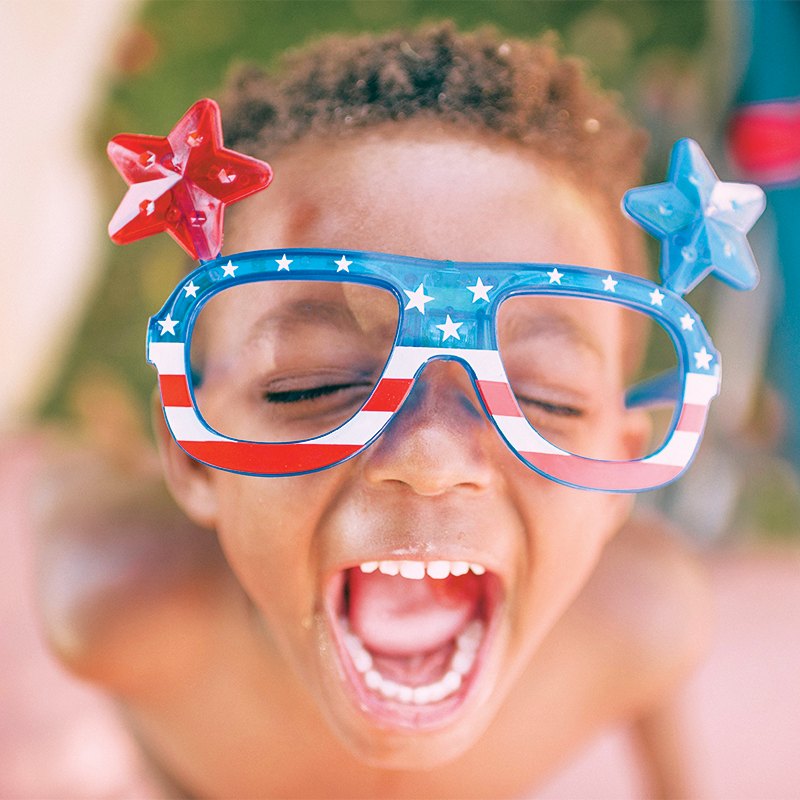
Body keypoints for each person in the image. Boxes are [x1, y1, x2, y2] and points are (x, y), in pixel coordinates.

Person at [37, 24, 736, 799]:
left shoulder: (648, 626)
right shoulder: (117, 614)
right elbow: (57, 485)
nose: (431, 456)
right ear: (193, 454)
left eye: (547, 400)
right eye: (309, 386)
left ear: (618, 480)